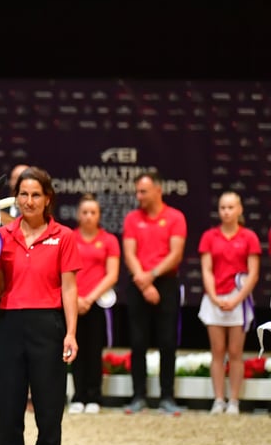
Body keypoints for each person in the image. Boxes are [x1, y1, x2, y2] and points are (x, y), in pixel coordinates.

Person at [0, 167, 80, 445]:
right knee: (8, 413)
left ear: (47, 198)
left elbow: (69, 288)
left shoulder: (63, 236)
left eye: (36, 194)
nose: (29, 200)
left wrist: (71, 333)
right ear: (15, 198)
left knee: (49, 413)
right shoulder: (2, 236)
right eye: (23, 194)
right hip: (9, 327)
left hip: (48, 327)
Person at [121, 171, 187, 415]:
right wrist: (144, 282)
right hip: (139, 284)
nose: (138, 196)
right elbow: (129, 252)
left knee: (167, 342)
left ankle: (167, 397)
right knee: (138, 342)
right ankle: (139, 396)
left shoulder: (175, 217)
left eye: (143, 191)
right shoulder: (131, 219)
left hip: (166, 284)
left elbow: (176, 253)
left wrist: (153, 276)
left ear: (158, 191)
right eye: (137, 191)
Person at [198, 191, 260, 415]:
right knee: (217, 351)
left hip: (239, 301)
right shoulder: (209, 236)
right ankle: (218, 399)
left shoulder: (249, 237)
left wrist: (236, 299)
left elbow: (253, 274)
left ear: (240, 209)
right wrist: (214, 296)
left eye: (231, 207)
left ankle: (234, 400)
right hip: (214, 299)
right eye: (223, 207)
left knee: (235, 352)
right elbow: (206, 269)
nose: (226, 211)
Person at [70, 194, 120, 414]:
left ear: (99, 215)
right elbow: (65, 272)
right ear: (78, 215)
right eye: (85, 212)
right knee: (73, 350)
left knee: (94, 351)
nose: (89, 216)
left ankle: (94, 397)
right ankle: (78, 396)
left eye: (93, 212)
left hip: (97, 303)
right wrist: (76, 299)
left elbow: (112, 274)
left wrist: (89, 299)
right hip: (73, 302)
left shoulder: (109, 240)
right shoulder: (69, 238)